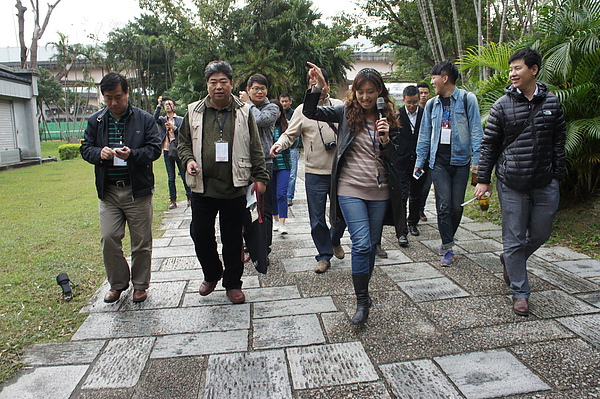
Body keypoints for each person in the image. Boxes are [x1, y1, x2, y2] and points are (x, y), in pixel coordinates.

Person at [303, 63, 399, 325]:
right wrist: (318, 87)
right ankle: (361, 301)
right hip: (349, 187)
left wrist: (386, 140)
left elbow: (396, 159)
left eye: (371, 91)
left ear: (380, 92)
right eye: (360, 91)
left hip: (379, 191)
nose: (365, 97)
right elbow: (310, 111)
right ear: (354, 92)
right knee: (361, 243)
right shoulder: (345, 112)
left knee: (369, 247)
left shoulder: (389, 117)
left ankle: (364, 295)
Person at [475, 48, 565, 316]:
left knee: (540, 233)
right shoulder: (502, 105)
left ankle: (511, 259)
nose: (512, 73)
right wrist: (483, 180)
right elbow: (489, 145)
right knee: (513, 237)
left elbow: (559, 141)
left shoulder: (552, 103)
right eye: (511, 69)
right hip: (511, 181)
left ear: (534, 70)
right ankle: (520, 292)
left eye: (518, 68)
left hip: (544, 181)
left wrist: (557, 176)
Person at [178, 61, 269, 304]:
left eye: (223, 81)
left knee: (232, 239)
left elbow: (255, 146)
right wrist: (188, 161)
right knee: (200, 234)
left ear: (231, 83)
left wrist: (260, 177)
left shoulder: (244, 111)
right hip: (202, 187)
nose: (218, 87)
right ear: (206, 84)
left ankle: (233, 283)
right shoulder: (194, 111)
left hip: (234, 187)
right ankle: (212, 272)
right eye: (213, 82)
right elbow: (183, 143)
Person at [80, 72, 162, 304]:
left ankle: (140, 285)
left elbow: (154, 149)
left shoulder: (144, 119)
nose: (114, 103)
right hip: (109, 192)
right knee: (108, 238)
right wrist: (99, 153)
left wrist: (133, 155)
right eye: (108, 98)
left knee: (141, 242)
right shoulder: (96, 121)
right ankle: (117, 284)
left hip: (137, 190)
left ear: (127, 93)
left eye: (118, 97)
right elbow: (86, 149)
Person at [270, 68, 346, 274]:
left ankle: (334, 239)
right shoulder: (302, 110)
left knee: (343, 215)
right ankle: (324, 255)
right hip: (314, 172)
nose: (318, 88)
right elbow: (289, 134)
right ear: (307, 87)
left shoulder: (340, 106)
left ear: (327, 85)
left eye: (321, 83)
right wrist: (279, 144)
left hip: (340, 171)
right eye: (313, 84)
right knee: (317, 218)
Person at [414, 61, 483, 267]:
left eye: (434, 77)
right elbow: (425, 134)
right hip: (439, 163)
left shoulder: (467, 99)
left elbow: (477, 131)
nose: (431, 81)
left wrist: (477, 162)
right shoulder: (432, 104)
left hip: (461, 161)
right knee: (443, 205)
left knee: (456, 207)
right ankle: (448, 246)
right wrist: (420, 161)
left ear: (445, 78)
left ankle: (447, 239)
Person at [240, 74, 279, 255]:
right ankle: (248, 241)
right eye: (255, 88)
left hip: (265, 163)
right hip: (243, 163)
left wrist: (248, 104)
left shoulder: (272, 108)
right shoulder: (241, 108)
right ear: (248, 90)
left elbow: (259, 120)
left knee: (265, 207)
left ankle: (265, 245)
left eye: (262, 88)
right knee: (243, 206)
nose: (259, 91)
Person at [389, 85, 426, 245]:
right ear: (403, 100)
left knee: (417, 194)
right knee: (402, 195)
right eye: (409, 102)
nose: (412, 106)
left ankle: (413, 222)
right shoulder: (396, 115)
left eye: (415, 102)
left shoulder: (425, 114)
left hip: (419, 161)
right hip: (401, 161)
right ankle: (402, 230)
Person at [154, 96, 191, 209]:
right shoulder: (162, 120)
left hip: (178, 150)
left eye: (169, 104)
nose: (167, 106)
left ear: (174, 107)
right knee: (171, 177)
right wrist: (158, 105)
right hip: (166, 150)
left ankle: (189, 197)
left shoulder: (179, 119)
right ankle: (173, 200)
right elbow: (154, 119)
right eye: (166, 105)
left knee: (184, 174)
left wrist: (174, 128)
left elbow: (183, 132)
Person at [270, 99, 292, 234]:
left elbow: (294, 143)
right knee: (272, 194)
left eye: (277, 110)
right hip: (270, 165)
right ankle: (276, 219)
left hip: (284, 165)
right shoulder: (265, 125)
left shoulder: (287, 125)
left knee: (281, 194)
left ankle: (283, 223)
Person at [280, 93, 299, 206]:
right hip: (279, 146)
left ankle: (289, 197)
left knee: (292, 174)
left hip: (292, 147)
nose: (284, 103)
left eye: (286, 101)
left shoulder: (294, 114)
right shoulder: (278, 113)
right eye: (282, 101)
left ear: (290, 101)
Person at [416, 82, 432, 222]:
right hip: (412, 155)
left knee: (426, 185)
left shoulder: (433, 108)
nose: (423, 95)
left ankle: (421, 208)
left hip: (429, 155)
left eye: (425, 93)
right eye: (420, 93)